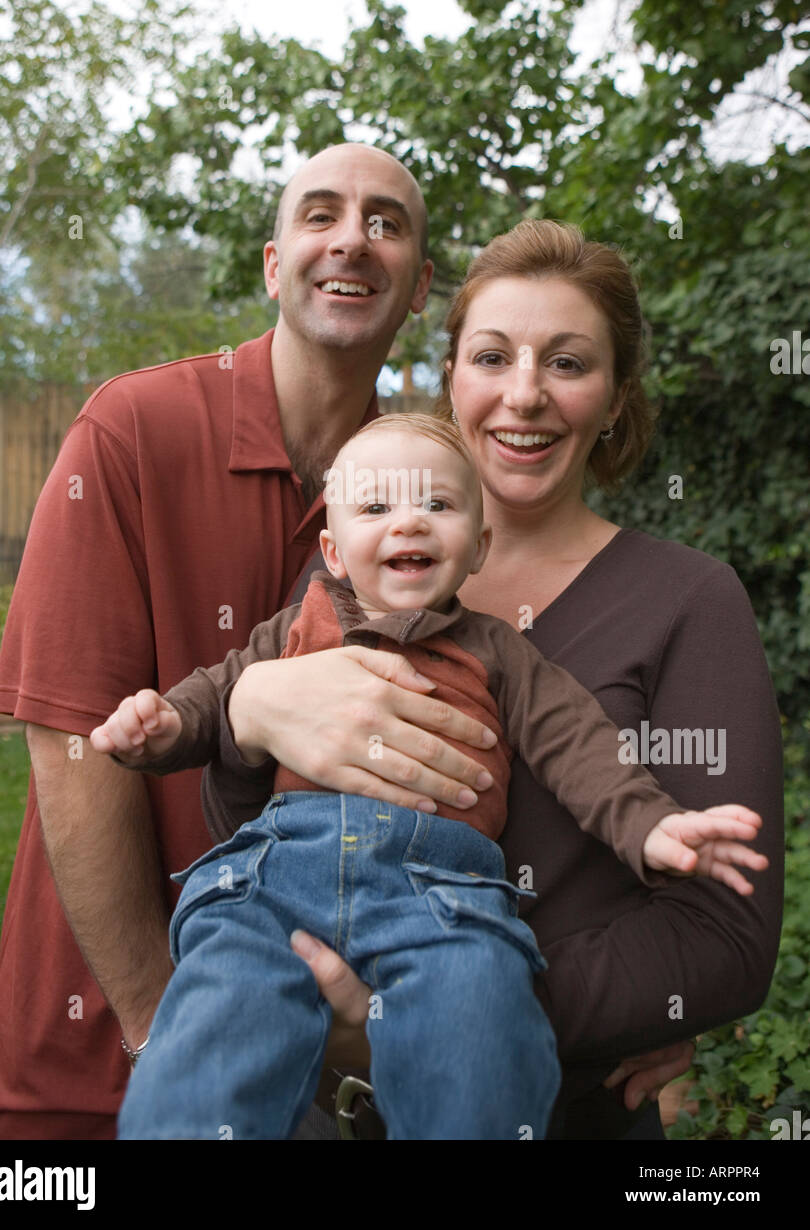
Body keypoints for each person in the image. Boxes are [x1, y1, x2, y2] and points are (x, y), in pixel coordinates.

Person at [0, 141, 504, 1139]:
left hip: (326, 1075)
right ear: (273, 263)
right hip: (100, 1062)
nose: (353, 236)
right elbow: (74, 741)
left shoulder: (422, 501)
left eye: (385, 221)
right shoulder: (131, 431)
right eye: (321, 213)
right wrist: (158, 1030)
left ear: (417, 285)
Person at [219, 221, 785, 1140]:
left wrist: (430, 1013)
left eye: (568, 363)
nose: (525, 395)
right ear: (452, 379)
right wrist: (245, 715)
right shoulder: (353, 575)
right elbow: (249, 830)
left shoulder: (688, 601)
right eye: (492, 356)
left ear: (613, 398)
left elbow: (722, 941)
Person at [90, 414, 767, 1140]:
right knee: (217, 1033)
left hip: (443, 898)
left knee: (480, 1030)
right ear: (334, 551)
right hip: (273, 884)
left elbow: (579, 744)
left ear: (476, 548)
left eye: (437, 505)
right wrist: (161, 727)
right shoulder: (293, 628)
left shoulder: (498, 653)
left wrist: (650, 826)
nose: (408, 522)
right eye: (376, 507)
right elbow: (219, 695)